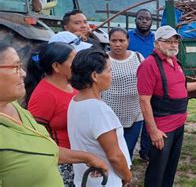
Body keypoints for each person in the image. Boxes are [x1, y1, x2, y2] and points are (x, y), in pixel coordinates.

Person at [0, 43, 107, 187]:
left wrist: (86, 157)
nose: (23, 73)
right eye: (16, 67)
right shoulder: (44, 95)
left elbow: (45, 148)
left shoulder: (15, 107)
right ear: (56, 66)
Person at [137, 25, 196, 186]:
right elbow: (144, 100)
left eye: (175, 41)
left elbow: (182, 88)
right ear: (157, 43)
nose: (173, 45)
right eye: (168, 41)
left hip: (178, 125)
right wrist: (153, 131)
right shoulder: (149, 65)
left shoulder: (175, 62)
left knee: (170, 169)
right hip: (163, 128)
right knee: (156, 172)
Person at [68, 48, 133, 186]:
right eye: (109, 71)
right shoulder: (99, 111)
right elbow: (115, 156)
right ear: (95, 76)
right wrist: (127, 176)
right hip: (105, 181)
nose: (112, 75)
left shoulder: (75, 101)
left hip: (86, 180)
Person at [25, 42, 78, 186]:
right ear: (56, 66)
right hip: (61, 164)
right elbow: (37, 140)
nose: (78, 64)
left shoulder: (71, 84)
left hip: (78, 158)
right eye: (74, 61)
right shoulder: (44, 95)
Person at [102, 27, 145, 159]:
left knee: (128, 149)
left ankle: (125, 176)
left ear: (128, 41)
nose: (118, 44)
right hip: (109, 114)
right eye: (114, 40)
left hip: (135, 113)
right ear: (109, 42)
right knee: (111, 152)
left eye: (121, 40)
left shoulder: (138, 57)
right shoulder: (103, 59)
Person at [128, 8, 155, 161]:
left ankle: (145, 152)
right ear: (135, 20)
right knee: (133, 120)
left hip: (151, 84)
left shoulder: (155, 39)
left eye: (147, 19)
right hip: (132, 83)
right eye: (140, 18)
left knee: (148, 117)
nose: (144, 21)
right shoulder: (128, 37)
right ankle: (127, 154)